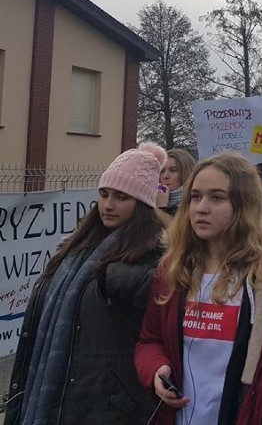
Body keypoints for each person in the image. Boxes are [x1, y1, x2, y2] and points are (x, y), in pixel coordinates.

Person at [134, 152, 262, 425]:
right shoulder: (172, 269)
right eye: (195, 196)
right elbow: (150, 340)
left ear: (244, 205)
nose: (201, 208)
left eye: (217, 198)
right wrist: (155, 369)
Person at [6, 143, 170, 425]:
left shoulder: (157, 254)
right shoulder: (75, 249)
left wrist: (123, 277)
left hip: (111, 402)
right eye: (104, 194)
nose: (108, 205)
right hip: (61, 386)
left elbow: (161, 315)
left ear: (142, 203)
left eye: (121, 197)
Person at [158, 148, 196, 215]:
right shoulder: (151, 202)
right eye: (162, 171)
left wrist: (161, 209)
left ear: (186, 173)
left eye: (173, 170)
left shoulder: (195, 203)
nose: (165, 176)